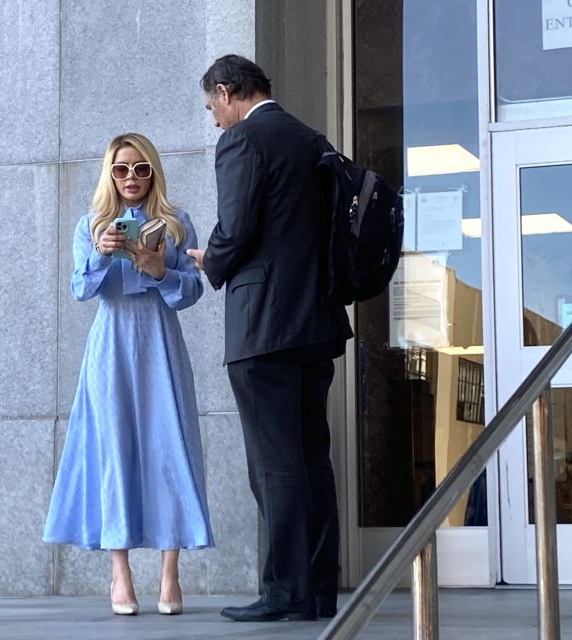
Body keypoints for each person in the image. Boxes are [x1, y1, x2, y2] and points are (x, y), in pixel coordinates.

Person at [187, 54, 353, 622]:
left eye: (213, 106)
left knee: (274, 465)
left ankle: (285, 592)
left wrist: (212, 260)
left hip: (264, 326)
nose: (214, 121)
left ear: (228, 92)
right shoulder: (313, 140)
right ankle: (317, 591)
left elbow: (236, 228)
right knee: (311, 460)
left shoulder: (244, 141)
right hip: (317, 323)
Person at [44, 132, 213, 617]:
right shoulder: (90, 224)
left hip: (159, 341)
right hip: (112, 343)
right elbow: (80, 289)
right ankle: (119, 572)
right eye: (122, 169)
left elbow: (192, 292)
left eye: (141, 169)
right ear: (109, 174)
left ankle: (169, 571)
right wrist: (101, 251)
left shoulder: (177, 223)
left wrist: (159, 269)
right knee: (112, 448)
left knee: (168, 447)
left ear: (154, 171)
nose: (132, 178)